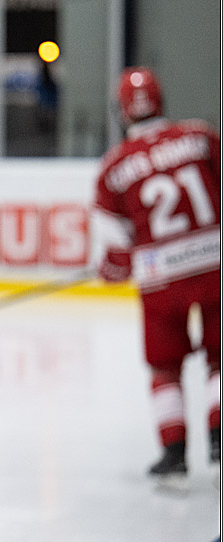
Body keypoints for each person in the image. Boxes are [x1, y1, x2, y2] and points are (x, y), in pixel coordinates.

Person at [91, 66, 221, 487]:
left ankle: (173, 451)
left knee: (164, 367)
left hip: (161, 281)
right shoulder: (201, 137)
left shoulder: (114, 168)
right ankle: (219, 435)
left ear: (123, 112)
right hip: (215, 266)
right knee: (220, 357)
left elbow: (115, 248)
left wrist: (113, 270)